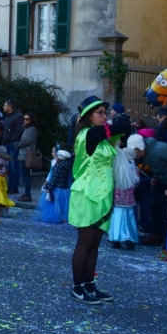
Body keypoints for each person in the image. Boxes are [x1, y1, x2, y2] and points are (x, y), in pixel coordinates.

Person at [68, 96, 131, 304]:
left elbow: (125, 131)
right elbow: (124, 126)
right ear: (88, 117)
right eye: (100, 113)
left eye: (106, 113)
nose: (105, 116)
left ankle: (89, 285)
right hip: (87, 195)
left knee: (94, 245)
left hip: (102, 196)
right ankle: (77, 287)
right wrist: (120, 124)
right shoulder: (89, 134)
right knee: (84, 243)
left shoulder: (101, 138)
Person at [139, 129, 167, 248]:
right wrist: (155, 176)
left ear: (140, 148)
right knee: (155, 205)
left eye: (136, 152)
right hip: (161, 179)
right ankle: (155, 235)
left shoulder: (161, 149)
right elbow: (157, 165)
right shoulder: (146, 152)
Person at [108, 141, 140, 251]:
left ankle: (115, 237)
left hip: (116, 198)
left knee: (116, 217)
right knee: (128, 218)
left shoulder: (116, 167)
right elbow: (135, 183)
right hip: (129, 199)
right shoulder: (134, 168)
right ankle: (129, 237)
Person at [35, 150, 72, 224]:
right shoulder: (68, 165)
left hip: (57, 189)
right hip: (65, 189)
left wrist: (48, 187)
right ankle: (64, 219)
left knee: (54, 206)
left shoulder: (58, 166)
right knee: (63, 206)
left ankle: (56, 218)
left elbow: (54, 179)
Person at [2, 99, 24, 194]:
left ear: (10, 107)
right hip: (7, 144)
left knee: (14, 165)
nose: (3, 107)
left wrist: (12, 140)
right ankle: (10, 186)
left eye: (5, 105)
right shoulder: (7, 117)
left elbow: (19, 130)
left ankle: (14, 187)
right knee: (9, 166)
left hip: (12, 144)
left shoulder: (18, 116)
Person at [15, 112, 38, 202]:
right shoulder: (28, 129)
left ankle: (28, 195)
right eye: (24, 119)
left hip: (25, 156)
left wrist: (17, 144)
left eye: (27, 119)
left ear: (31, 120)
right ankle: (27, 194)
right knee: (26, 176)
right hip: (24, 155)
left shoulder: (31, 129)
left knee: (25, 176)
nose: (24, 120)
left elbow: (25, 141)